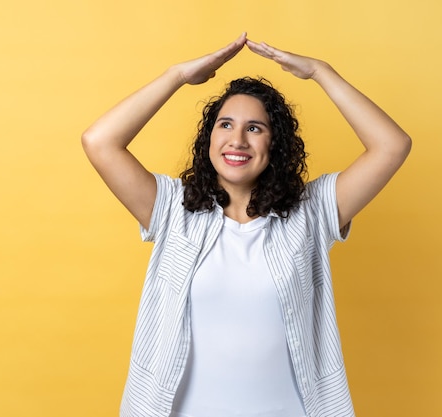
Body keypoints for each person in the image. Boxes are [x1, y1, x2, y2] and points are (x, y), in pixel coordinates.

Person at [82, 33, 411, 417]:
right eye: (225, 125)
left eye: (255, 128)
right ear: (209, 139)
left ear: (275, 145)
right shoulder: (172, 208)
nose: (237, 140)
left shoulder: (310, 211)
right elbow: (99, 141)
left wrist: (321, 72)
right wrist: (177, 76)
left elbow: (392, 145)